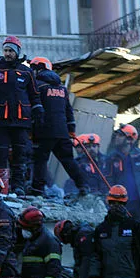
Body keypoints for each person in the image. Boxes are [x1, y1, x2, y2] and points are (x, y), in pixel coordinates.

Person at [0, 36, 44, 195]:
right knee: (0, 154)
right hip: (0, 120)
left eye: (11, 51)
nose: (7, 54)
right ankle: (0, 188)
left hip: (21, 121)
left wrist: (38, 111)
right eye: (6, 50)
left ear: (17, 52)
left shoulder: (26, 71)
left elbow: (34, 95)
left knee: (20, 155)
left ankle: (18, 187)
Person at [28, 57, 87, 197]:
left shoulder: (37, 86)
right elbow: (68, 110)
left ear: (38, 69)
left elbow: (32, 109)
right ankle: (83, 186)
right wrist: (71, 130)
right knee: (68, 160)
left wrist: (30, 129)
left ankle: (37, 190)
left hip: (43, 131)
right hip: (62, 132)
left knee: (40, 160)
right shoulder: (61, 88)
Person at [103, 124, 140, 224]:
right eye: (117, 135)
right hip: (121, 202)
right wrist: (108, 197)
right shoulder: (112, 158)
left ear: (129, 140)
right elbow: (107, 179)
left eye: (120, 135)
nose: (116, 137)